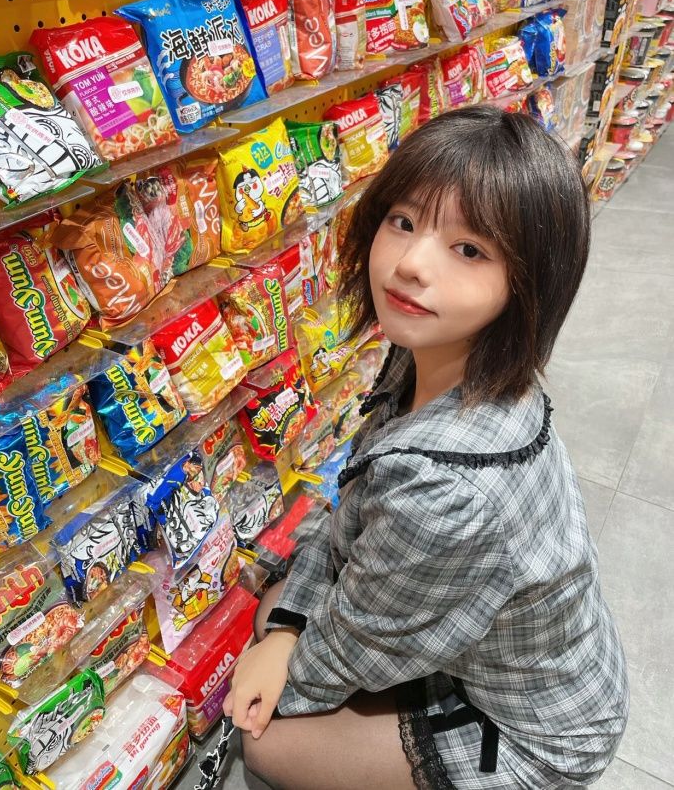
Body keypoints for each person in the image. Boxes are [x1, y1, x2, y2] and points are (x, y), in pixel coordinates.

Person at [223, 106, 629, 790]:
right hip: (539, 659)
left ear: (529, 282)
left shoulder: (448, 486)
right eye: (403, 221)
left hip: (534, 734)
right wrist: (288, 625)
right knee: (278, 611)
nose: (410, 264)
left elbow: (356, 647)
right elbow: (352, 508)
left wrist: (285, 665)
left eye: (469, 250)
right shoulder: (448, 358)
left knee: (265, 742)